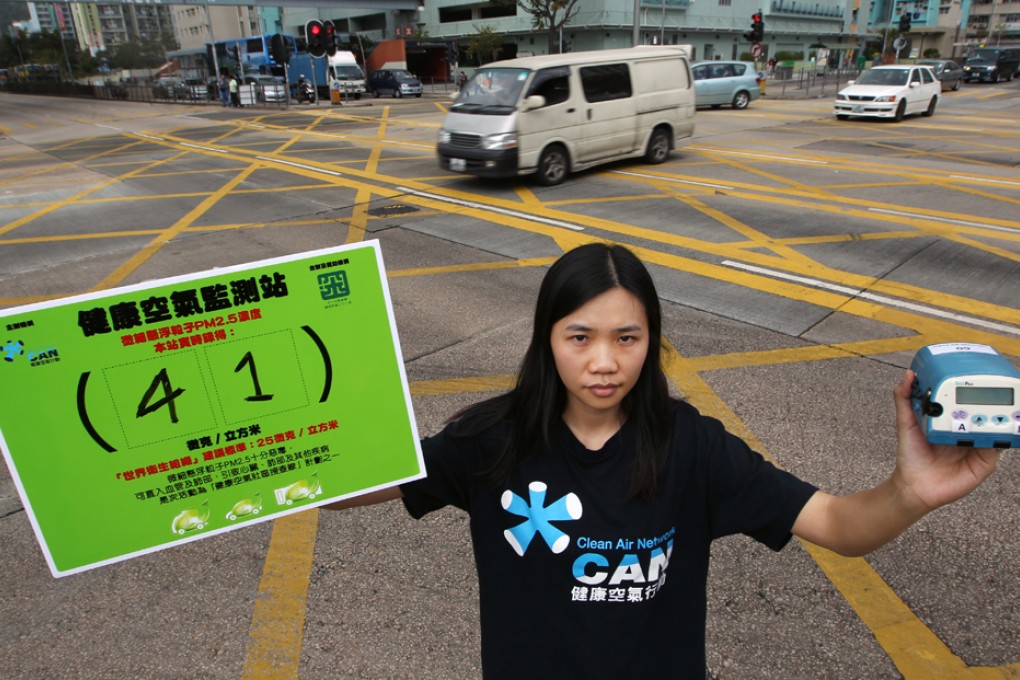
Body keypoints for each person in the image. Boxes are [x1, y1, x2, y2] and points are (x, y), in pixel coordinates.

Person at [325, 243, 999, 678]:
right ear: (546, 340)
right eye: (579, 337)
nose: (604, 361)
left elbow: (838, 525)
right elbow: (348, 481)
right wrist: (281, 464)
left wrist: (908, 491)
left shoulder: (692, 446)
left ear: (651, 341)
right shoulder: (490, 441)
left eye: (627, 337)